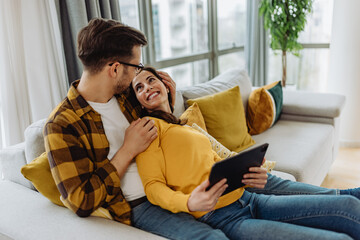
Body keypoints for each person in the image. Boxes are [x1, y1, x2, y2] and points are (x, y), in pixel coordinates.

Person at [44, 18, 232, 239]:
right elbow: (81, 201)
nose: (137, 75)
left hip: (177, 185)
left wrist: (168, 103)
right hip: (141, 205)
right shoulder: (62, 125)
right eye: (136, 67)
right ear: (115, 69)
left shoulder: (127, 98)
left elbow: (166, 130)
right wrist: (127, 150)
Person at [132, 67, 360, 240]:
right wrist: (189, 202)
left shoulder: (182, 125)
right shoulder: (149, 127)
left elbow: (215, 164)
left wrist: (251, 172)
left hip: (249, 198)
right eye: (139, 88)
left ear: (165, 84)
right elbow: (152, 186)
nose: (147, 88)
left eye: (151, 80)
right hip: (225, 218)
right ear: (138, 102)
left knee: (349, 205)